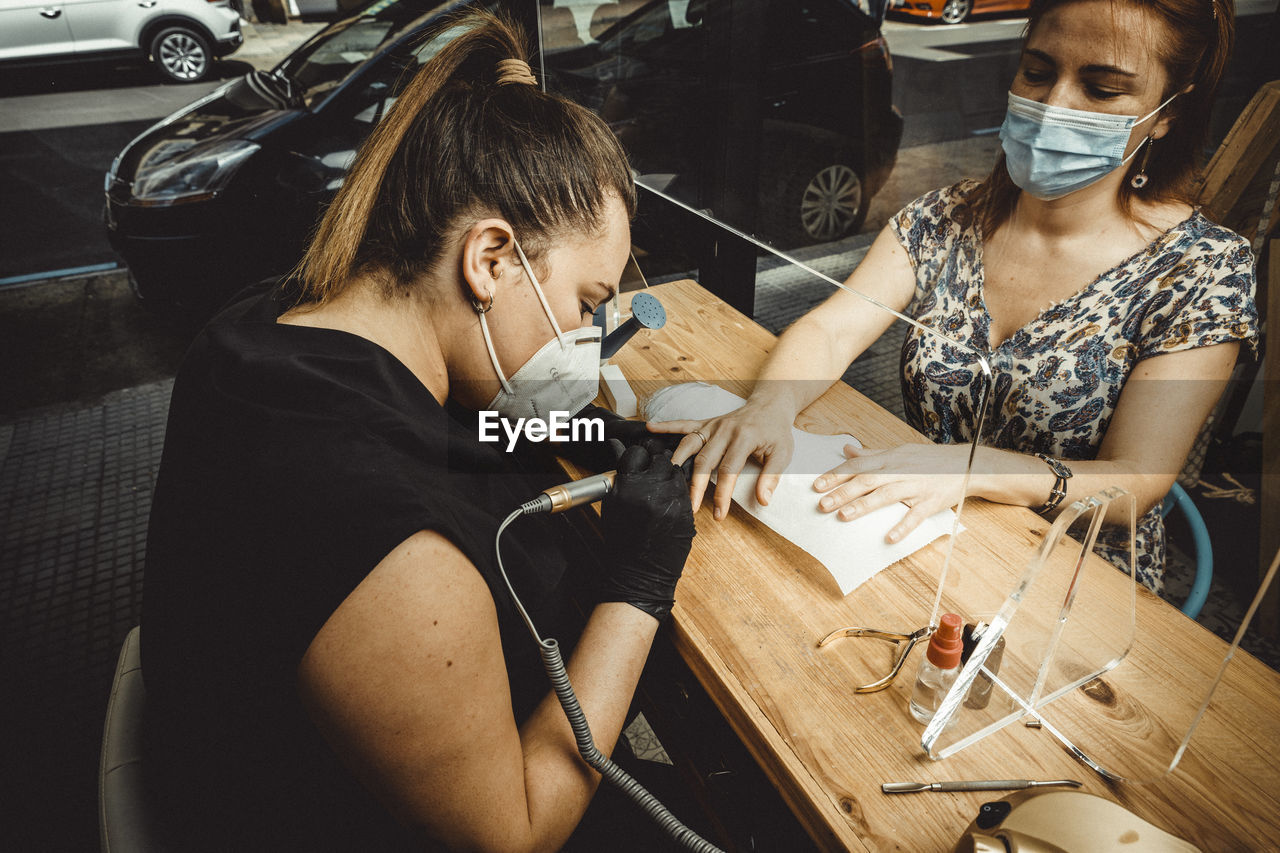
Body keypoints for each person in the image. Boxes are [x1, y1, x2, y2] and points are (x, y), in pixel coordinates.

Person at [141, 11, 697, 852]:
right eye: (588, 303)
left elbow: (417, 433)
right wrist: (640, 584)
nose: (593, 335)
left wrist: (562, 435)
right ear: (491, 259)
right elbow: (515, 830)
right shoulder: (393, 554)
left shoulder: (268, 325)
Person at [651, 0, 1257, 594]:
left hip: (1077, 586)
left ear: (1169, 112)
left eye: (1102, 90)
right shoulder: (946, 217)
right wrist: (769, 407)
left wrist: (970, 469)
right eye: (1038, 72)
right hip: (921, 539)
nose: (1053, 107)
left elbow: (1133, 483)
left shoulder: (1204, 271)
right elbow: (833, 329)